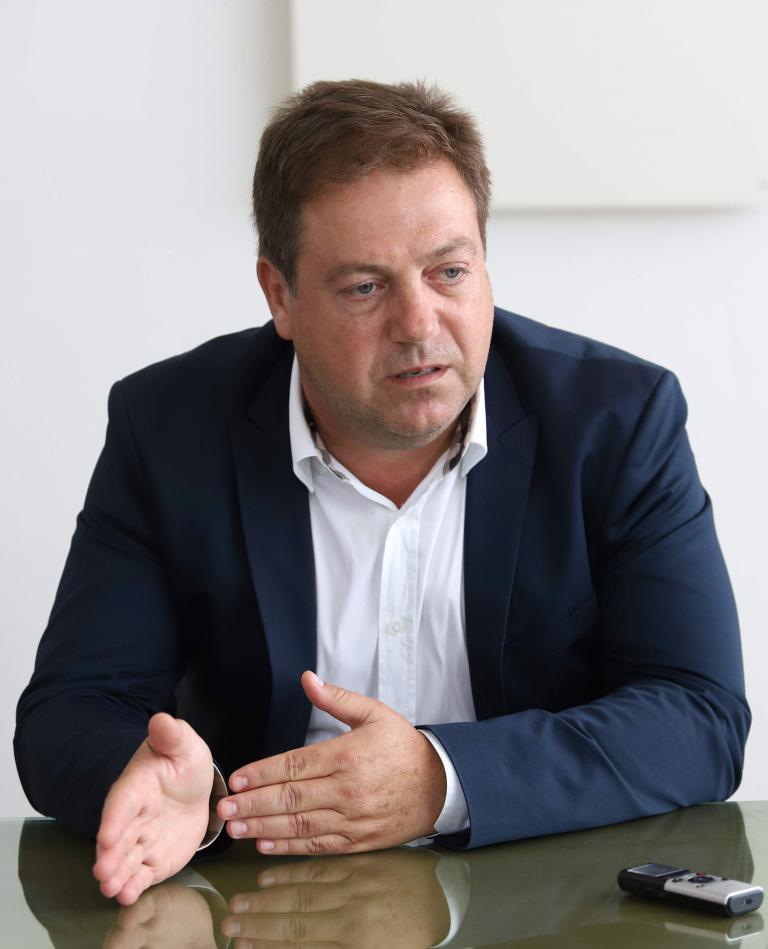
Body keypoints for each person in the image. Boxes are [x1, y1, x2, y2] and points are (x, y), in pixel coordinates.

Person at [15, 79, 749, 907]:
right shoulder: (168, 429)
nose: (419, 324)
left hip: (550, 905)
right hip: (260, 906)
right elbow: (71, 709)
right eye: (365, 286)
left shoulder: (616, 421)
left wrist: (442, 778)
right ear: (280, 294)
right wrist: (179, 789)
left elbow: (698, 715)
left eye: (449, 271)